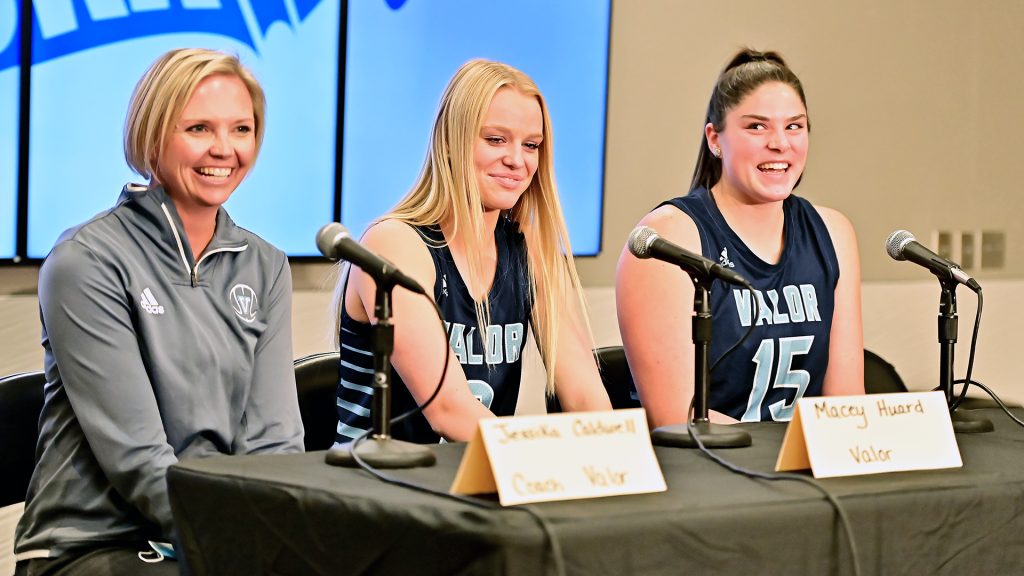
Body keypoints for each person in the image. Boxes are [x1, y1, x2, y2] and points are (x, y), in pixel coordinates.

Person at [14, 48, 304, 575]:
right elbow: (140, 463)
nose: (224, 149)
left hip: (214, 544)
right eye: (198, 128)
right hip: (93, 547)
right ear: (152, 137)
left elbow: (276, 442)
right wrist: (248, 546)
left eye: (242, 129)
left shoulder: (267, 266)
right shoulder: (87, 260)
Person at [333, 59, 611, 444]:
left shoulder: (529, 247)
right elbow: (448, 411)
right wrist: (540, 458)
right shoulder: (394, 243)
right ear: (450, 142)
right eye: (496, 140)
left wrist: (613, 458)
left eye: (531, 145)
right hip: (379, 487)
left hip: (475, 483)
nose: (517, 160)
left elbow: (584, 396)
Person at [616, 48, 864, 427]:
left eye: (794, 126)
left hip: (802, 472)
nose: (780, 143)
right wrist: (785, 456)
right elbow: (676, 417)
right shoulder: (670, 235)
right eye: (757, 127)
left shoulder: (833, 232)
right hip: (707, 472)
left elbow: (847, 405)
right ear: (715, 139)